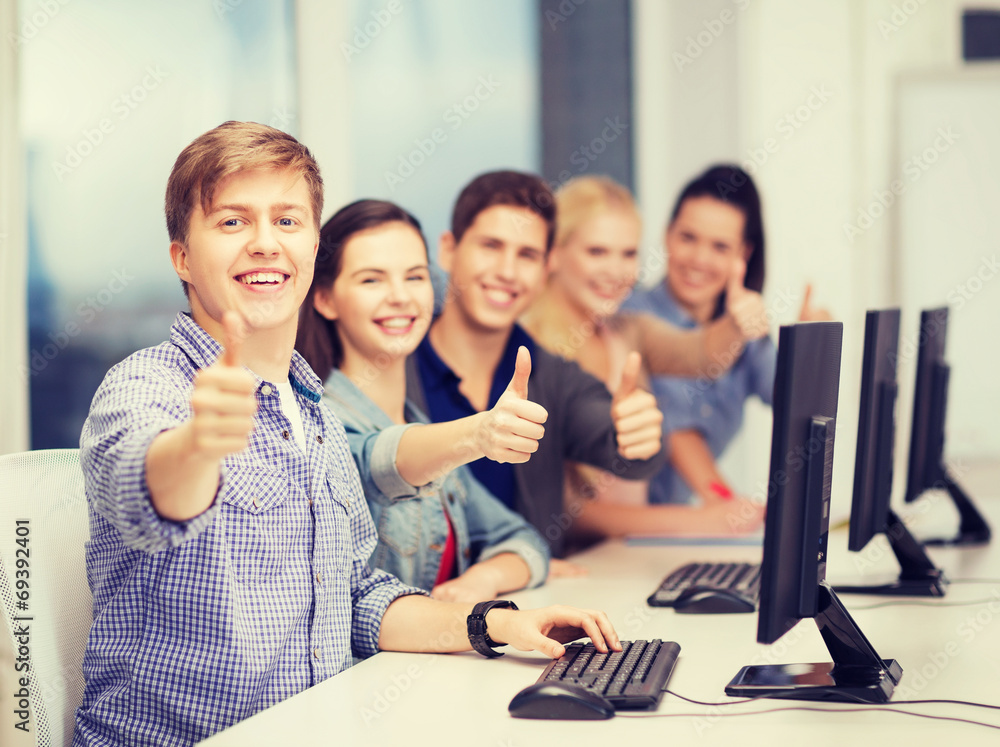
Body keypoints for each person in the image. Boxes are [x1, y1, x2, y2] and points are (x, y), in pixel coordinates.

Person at [74, 122, 619, 746]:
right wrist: (200, 445)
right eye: (232, 222)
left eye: (287, 220)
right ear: (181, 258)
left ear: (311, 248)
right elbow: (150, 491)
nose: (264, 243)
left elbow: (355, 597)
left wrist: (494, 625)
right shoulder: (145, 386)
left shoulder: (316, 416)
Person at [407, 170, 756, 560]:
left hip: (547, 577)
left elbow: (622, 443)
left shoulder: (562, 370)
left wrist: (638, 436)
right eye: (491, 245)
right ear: (448, 249)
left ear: (545, 263)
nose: (507, 271)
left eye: (526, 255)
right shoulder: (401, 367)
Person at [296, 199, 550, 602]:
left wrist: (481, 580)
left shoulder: (424, 426)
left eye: (415, 276)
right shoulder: (314, 422)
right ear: (325, 298)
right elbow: (377, 460)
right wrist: (479, 433)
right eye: (371, 280)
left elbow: (523, 540)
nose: (400, 297)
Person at [521, 175, 765, 539]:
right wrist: (699, 522)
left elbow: (700, 355)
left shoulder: (628, 330)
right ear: (554, 254)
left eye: (629, 254)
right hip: (574, 562)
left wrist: (736, 322)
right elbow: (565, 510)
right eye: (597, 252)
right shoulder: (530, 350)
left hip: (627, 555)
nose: (616, 271)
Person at [623, 164, 831, 506]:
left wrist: (812, 346)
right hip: (624, 525)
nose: (699, 259)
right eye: (688, 238)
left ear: (743, 254)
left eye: (720, 247)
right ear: (667, 234)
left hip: (678, 525)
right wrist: (730, 507)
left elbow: (794, 403)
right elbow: (678, 431)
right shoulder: (632, 317)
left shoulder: (743, 330)